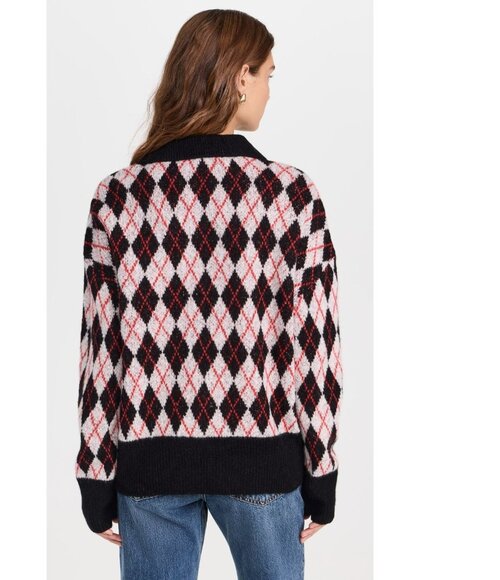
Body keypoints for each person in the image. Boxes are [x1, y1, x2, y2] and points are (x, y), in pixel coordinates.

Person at [75, 8, 343, 580]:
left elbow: (101, 351)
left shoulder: (118, 197)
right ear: (241, 76)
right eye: (268, 74)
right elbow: (315, 345)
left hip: (150, 464)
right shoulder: (291, 194)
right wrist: (321, 466)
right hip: (263, 461)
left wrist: (96, 471)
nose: (269, 90)